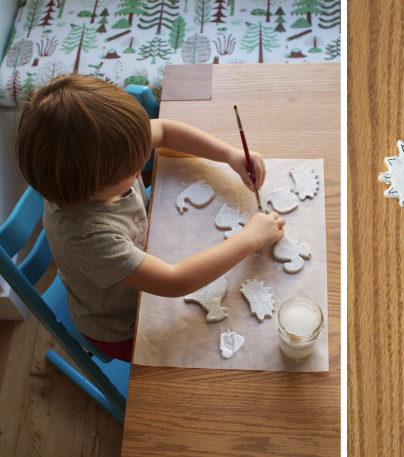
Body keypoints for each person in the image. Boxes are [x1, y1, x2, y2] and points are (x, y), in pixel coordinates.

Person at [15, 74, 285, 362]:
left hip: (141, 261)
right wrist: (250, 238)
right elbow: (174, 281)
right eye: (130, 171)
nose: (139, 168)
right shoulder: (88, 237)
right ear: (85, 186)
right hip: (122, 325)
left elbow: (165, 131)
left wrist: (229, 154)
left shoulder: (103, 157)